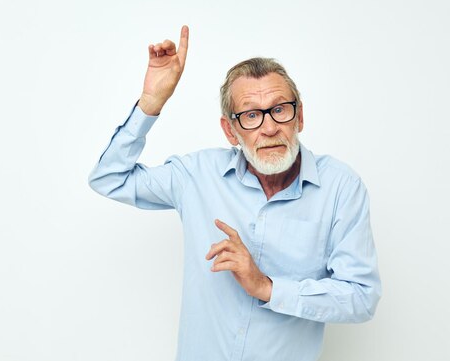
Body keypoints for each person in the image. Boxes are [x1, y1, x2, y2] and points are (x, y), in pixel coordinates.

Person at [88, 25, 381, 361]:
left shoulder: (341, 188)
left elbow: (361, 296)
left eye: (280, 109)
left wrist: (268, 287)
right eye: (251, 115)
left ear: (299, 117)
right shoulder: (197, 175)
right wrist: (150, 105)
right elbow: (109, 178)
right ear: (230, 130)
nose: (269, 128)